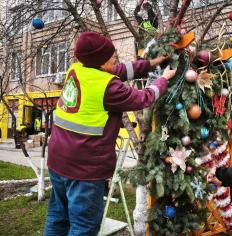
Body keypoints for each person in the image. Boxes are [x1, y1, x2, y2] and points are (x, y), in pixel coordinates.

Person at [44, 32, 176, 236]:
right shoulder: (108, 87)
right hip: (84, 171)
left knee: (58, 218)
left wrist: (152, 62)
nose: (115, 59)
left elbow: (121, 69)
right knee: (83, 227)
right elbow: (144, 97)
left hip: (57, 162)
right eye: (111, 56)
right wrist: (164, 79)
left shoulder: (77, 69)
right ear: (99, 62)